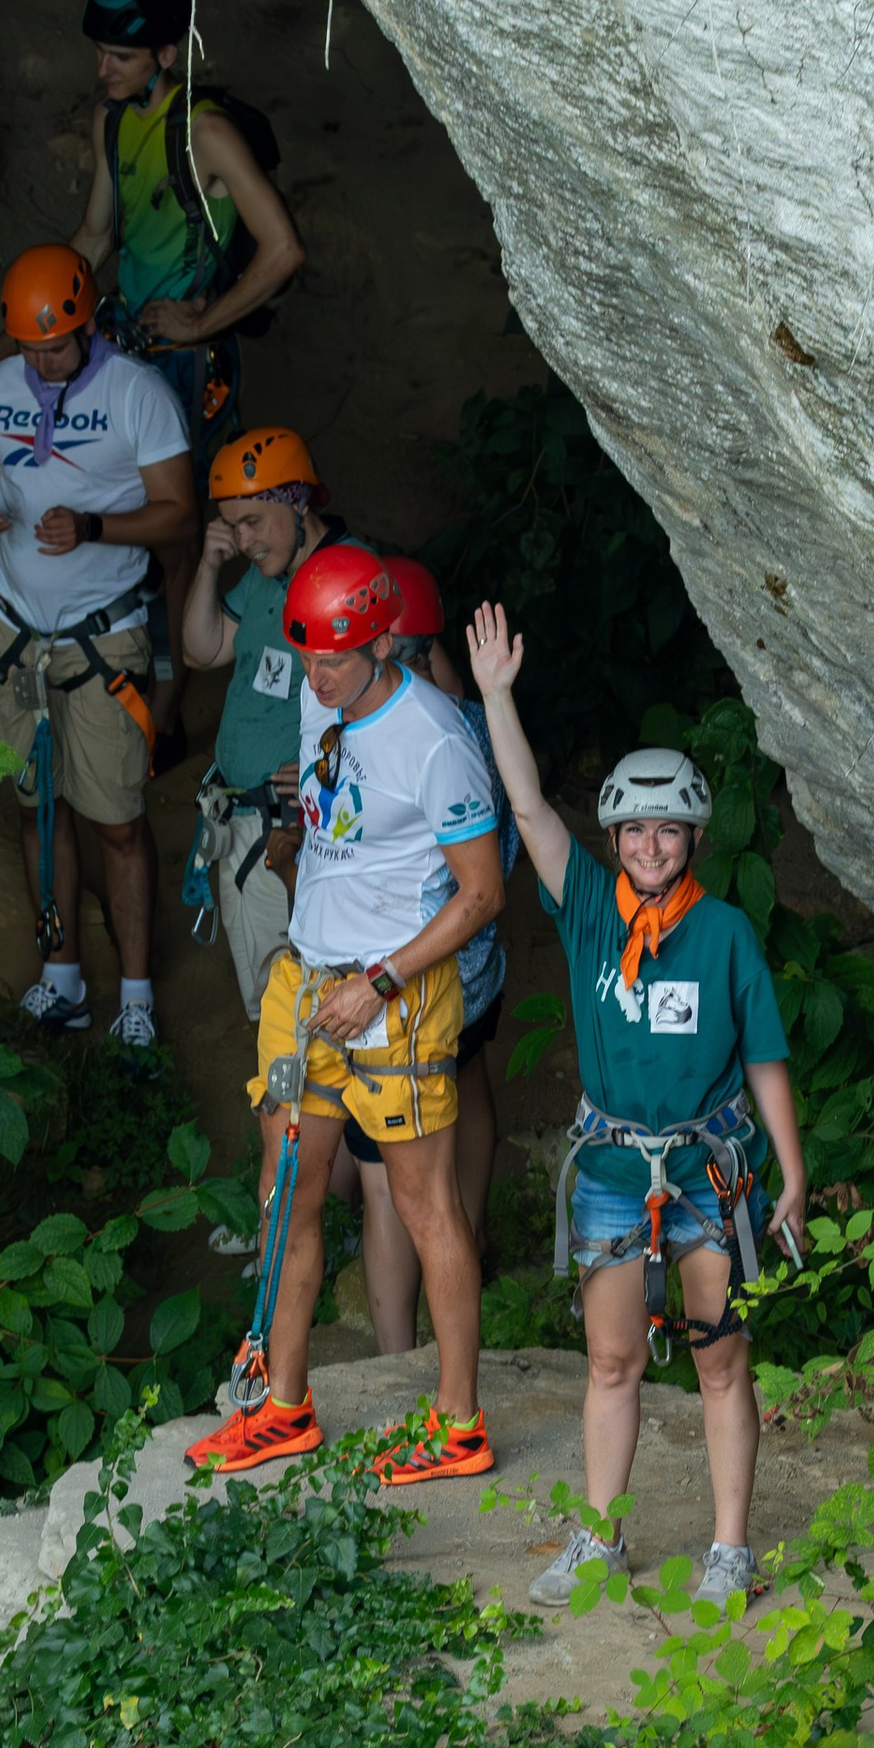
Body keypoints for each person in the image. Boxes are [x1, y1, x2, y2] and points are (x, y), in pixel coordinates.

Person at [464, 602, 806, 1611]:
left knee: (718, 1362)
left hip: (709, 1168)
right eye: (634, 828)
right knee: (611, 1361)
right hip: (615, 1164)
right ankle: (602, 1538)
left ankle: (729, 1550)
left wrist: (794, 1170)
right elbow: (527, 811)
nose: (651, 844)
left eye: (667, 828)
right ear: (612, 835)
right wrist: (493, 694)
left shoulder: (726, 934)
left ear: (692, 836)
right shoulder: (585, 914)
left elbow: (767, 1058)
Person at [187, 546, 504, 1487]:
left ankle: (458, 1424)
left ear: (383, 640)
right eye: (308, 658)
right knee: (286, 1188)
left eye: (334, 659)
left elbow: (482, 895)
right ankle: (284, 1407)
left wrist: (383, 977)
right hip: (304, 986)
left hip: (394, 1001)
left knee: (422, 1203)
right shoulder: (323, 694)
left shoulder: (438, 738)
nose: (316, 678)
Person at [0, 245, 194, 1051]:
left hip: (101, 636)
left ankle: (135, 995)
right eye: (28, 347)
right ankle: (62, 982)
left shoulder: (136, 395)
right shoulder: (0, 388)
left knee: (116, 819)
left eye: (54, 345)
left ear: (86, 324)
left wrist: (96, 527)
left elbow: (180, 514)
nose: (41, 361)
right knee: (34, 808)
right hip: (16, 630)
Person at [70, 0, 303, 712]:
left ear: (166, 55)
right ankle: (120, 679)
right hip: (126, 349)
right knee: (118, 516)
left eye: (121, 57)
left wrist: (203, 319)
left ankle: (163, 714)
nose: (102, 70)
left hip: (187, 365)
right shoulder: (110, 121)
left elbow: (283, 248)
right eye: (101, 53)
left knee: (174, 542)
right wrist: (32, 318)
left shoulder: (204, 132)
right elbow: (98, 235)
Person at [353, 559, 512, 1347]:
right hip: (473, 975)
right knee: (469, 1083)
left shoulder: (422, 728)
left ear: (385, 646)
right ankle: (470, 1249)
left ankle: (399, 1345)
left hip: (417, 977)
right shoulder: (466, 719)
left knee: (395, 1175)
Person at [177, 426, 328, 1028]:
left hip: (289, 830)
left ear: (298, 502)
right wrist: (209, 567)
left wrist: (328, 766)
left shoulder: (342, 574)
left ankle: (302, 1123)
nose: (243, 540)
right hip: (243, 820)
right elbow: (201, 650)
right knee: (272, 1009)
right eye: (231, 525)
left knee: (292, 1012)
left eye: (253, 522)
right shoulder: (267, 574)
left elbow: (395, 688)